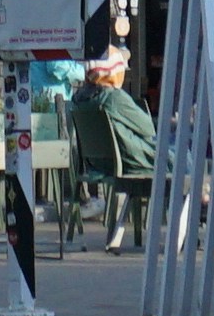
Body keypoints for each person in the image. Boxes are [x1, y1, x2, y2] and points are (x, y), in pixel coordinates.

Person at [62, 46, 162, 250]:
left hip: (97, 164)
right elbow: (147, 127)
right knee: (185, 161)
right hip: (131, 159)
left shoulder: (78, 99)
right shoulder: (114, 98)